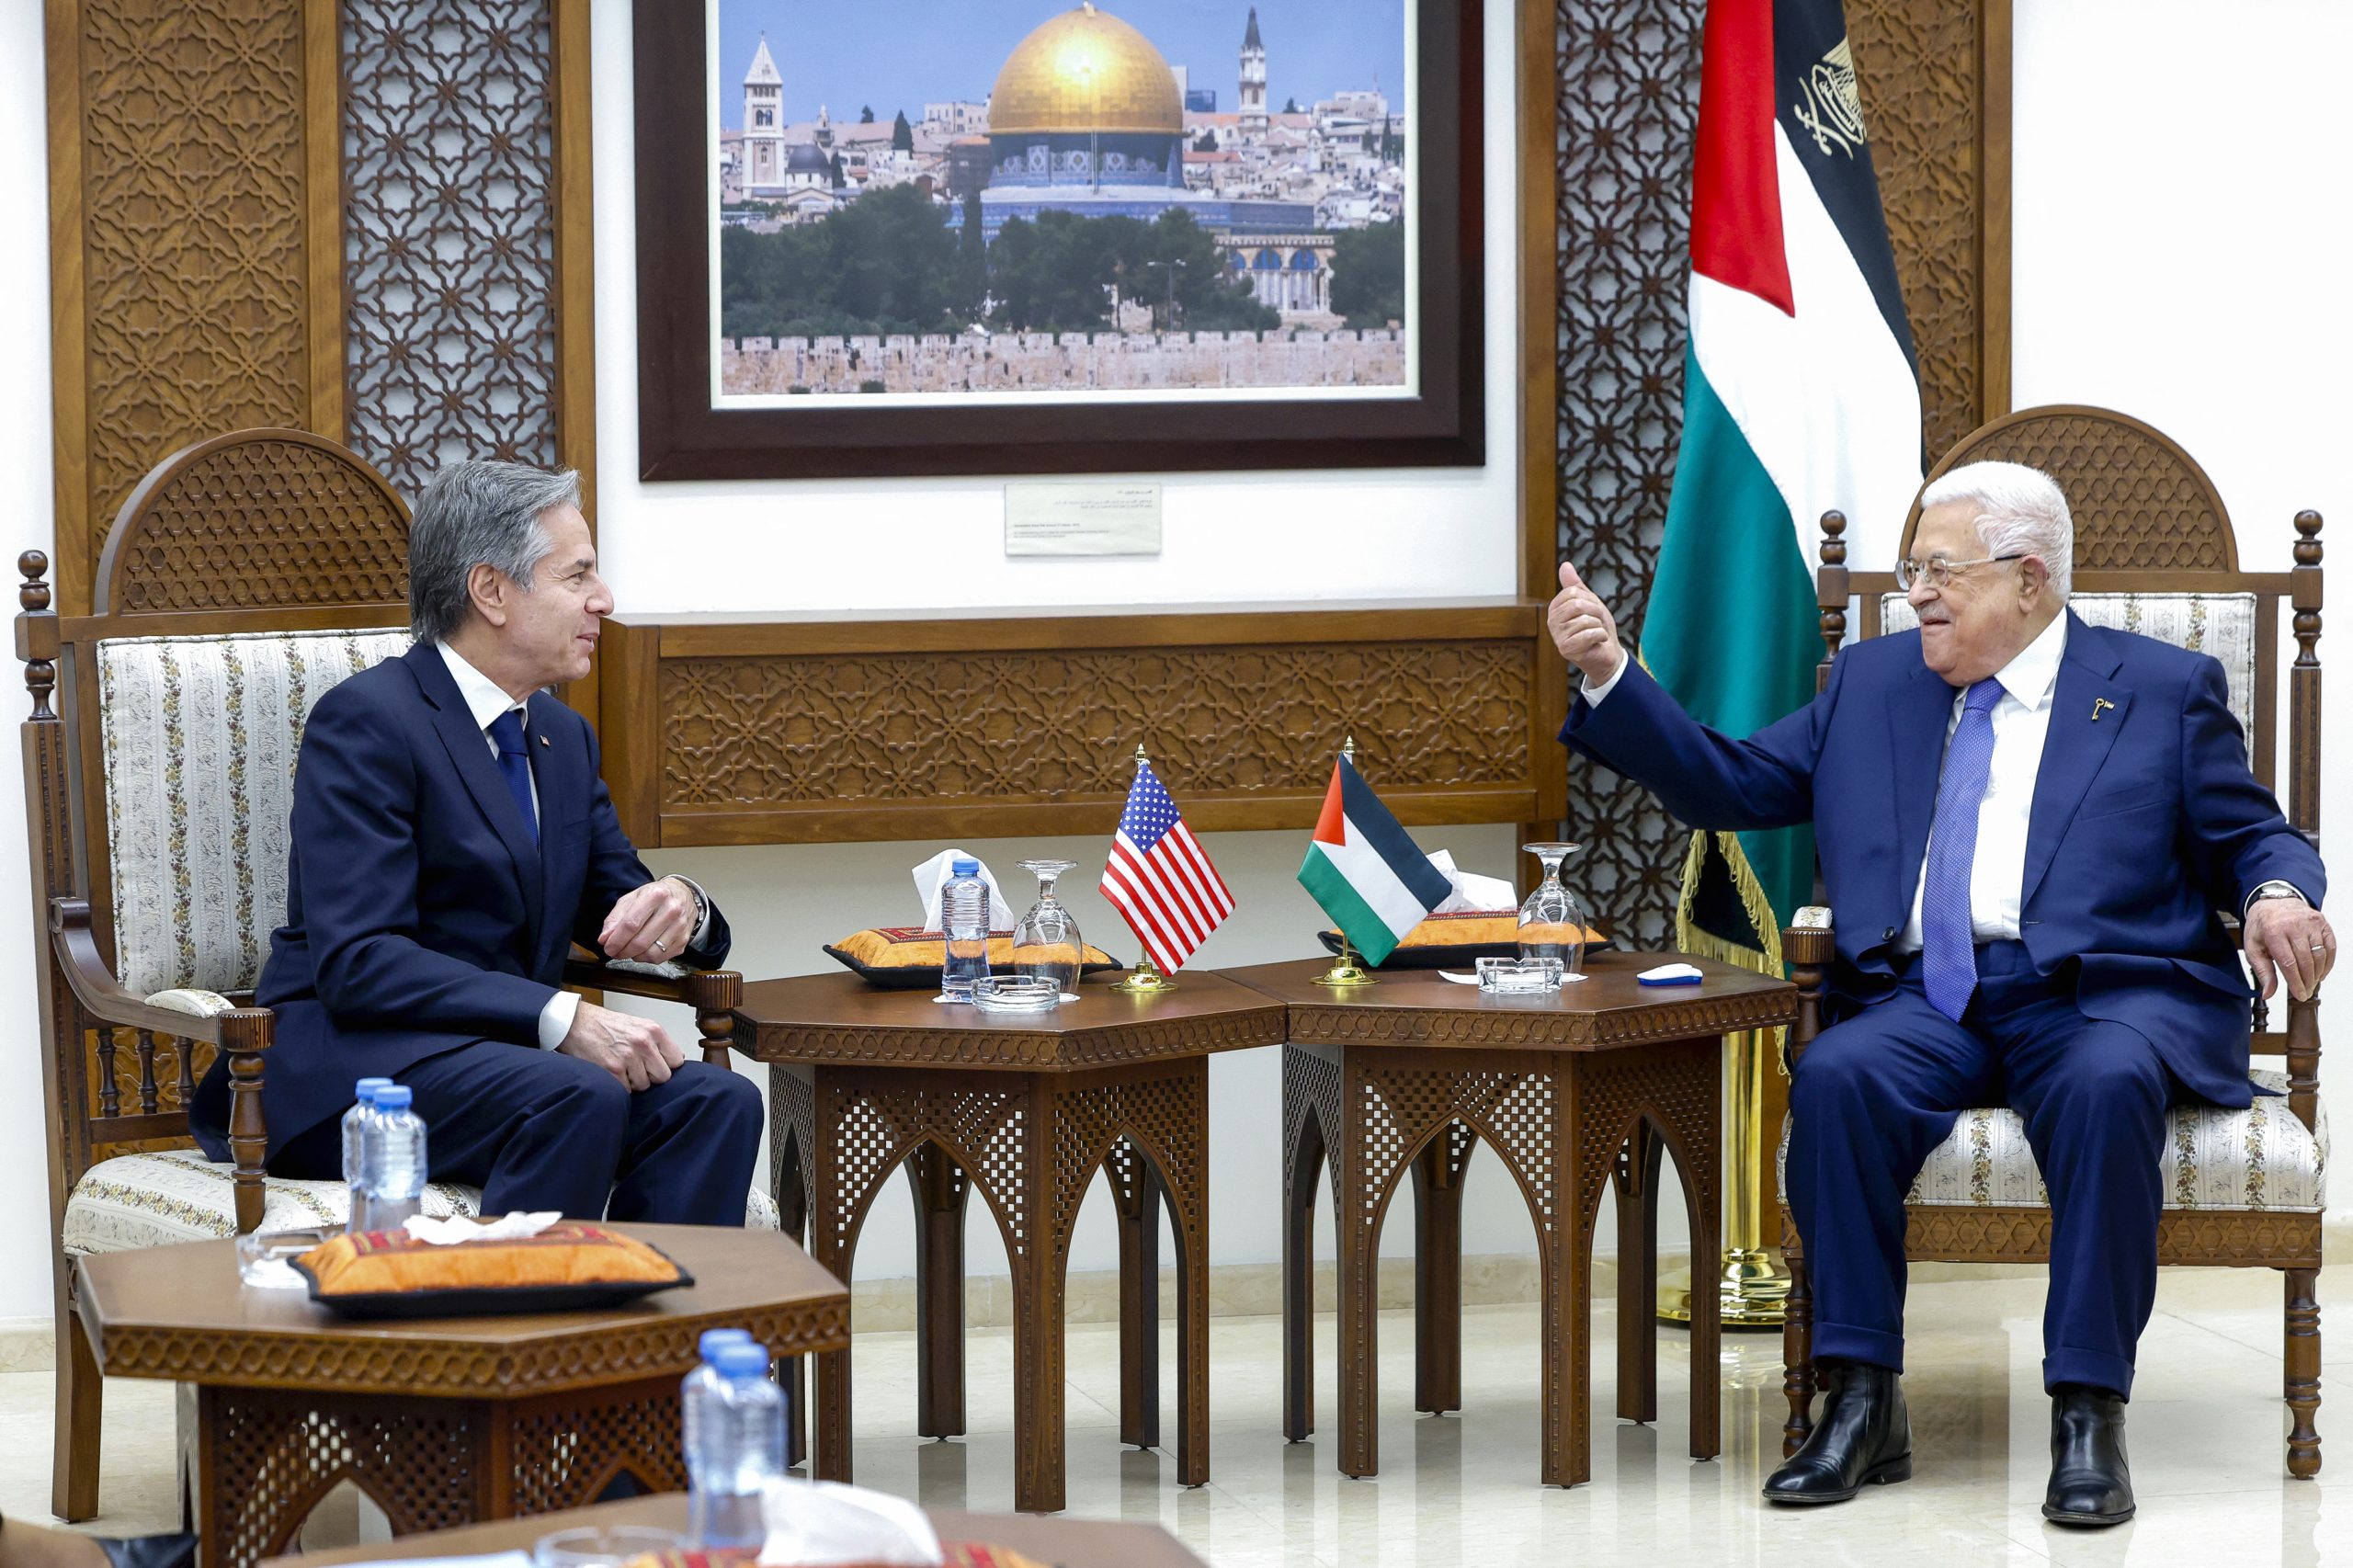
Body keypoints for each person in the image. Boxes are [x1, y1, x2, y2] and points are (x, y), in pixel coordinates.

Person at [1551, 461, 2331, 1526]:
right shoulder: (1871, 682)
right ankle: (1861, 1398)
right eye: (1911, 568)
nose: (1914, 592)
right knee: (1837, 1074)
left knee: (2106, 1084)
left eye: (1939, 571)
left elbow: (2253, 834)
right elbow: (1727, 782)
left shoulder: (2159, 686)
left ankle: (2086, 1409)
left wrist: (2278, 893)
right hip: (1926, 994)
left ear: (2027, 577)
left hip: (2095, 994)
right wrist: (1608, 672)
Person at [193, 460, 762, 1223]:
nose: (603, 599)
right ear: (491, 591)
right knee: (577, 1092)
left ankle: (637, 1302)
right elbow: (361, 961)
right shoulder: (368, 721)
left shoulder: (561, 736)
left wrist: (683, 906)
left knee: (717, 1102)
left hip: (504, 1066)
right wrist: (563, 1016)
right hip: (353, 1067)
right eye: (577, 576)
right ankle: (513, 1302)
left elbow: (620, 905)